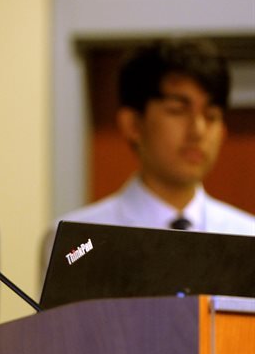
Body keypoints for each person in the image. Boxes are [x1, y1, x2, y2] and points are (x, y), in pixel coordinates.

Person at [42, 38, 255, 274]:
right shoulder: (78, 242)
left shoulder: (248, 239)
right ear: (133, 124)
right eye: (177, 110)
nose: (198, 130)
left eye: (211, 115)